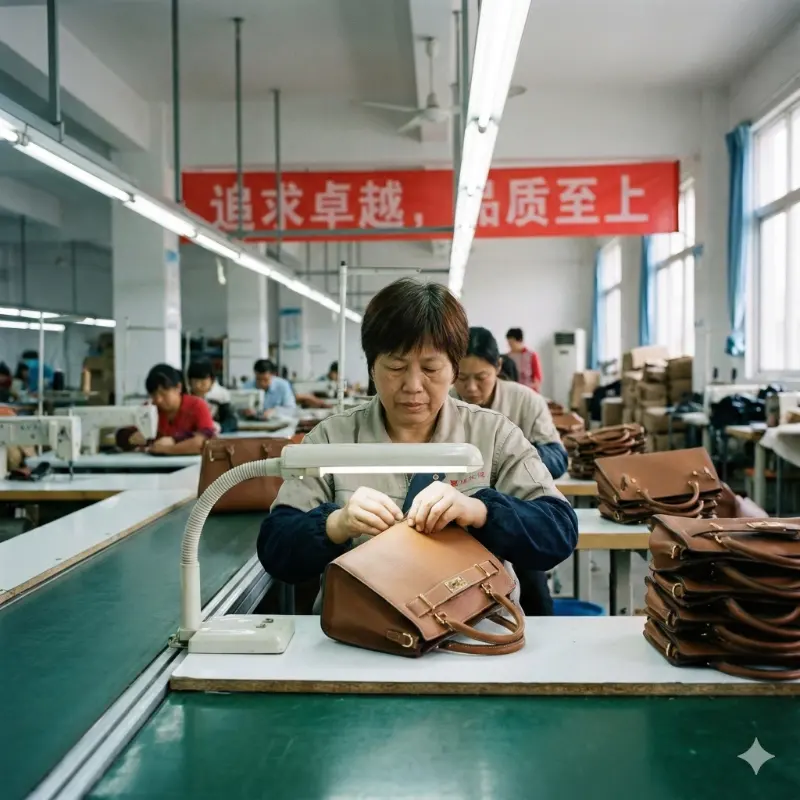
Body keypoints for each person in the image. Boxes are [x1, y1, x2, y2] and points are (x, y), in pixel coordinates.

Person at [258, 279, 578, 613]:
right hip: (361, 635)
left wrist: (480, 511)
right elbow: (276, 550)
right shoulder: (331, 439)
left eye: (430, 368)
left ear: (454, 369)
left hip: (476, 635)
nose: (413, 386)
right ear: (371, 367)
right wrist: (336, 524)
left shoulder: (493, 435)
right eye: (395, 367)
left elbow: (558, 533)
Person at [454, 327, 570, 616]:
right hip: (458, 522)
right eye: (461, 378)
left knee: (532, 590)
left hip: (512, 512)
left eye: (481, 377)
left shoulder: (526, 400)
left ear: (498, 367)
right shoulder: (442, 404)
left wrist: (512, 460)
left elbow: (557, 456)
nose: (470, 388)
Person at [118, 364, 215, 455]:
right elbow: (123, 435)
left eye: (163, 394)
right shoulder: (149, 409)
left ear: (178, 387)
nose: (158, 400)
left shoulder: (197, 406)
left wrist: (169, 447)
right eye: (153, 395)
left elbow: (205, 441)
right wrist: (130, 438)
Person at [187, 360, 237, 433]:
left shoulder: (221, 395)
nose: (198, 386)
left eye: (203, 383)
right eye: (194, 382)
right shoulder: (184, 395)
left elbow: (231, 421)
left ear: (212, 381)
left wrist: (220, 427)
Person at [505, 328, 543, 393]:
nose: (509, 345)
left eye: (511, 343)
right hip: (513, 391)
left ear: (520, 341)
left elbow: (537, 378)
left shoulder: (531, 355)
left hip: (529, 392)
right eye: (508, 343)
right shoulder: (507, 357)